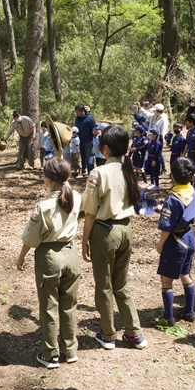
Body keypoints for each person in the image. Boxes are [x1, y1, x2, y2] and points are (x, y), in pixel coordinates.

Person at [81, 125, 148, 350]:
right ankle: (134, 333)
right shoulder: (128, 170)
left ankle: (108, 334)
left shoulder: (98, 173)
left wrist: (84, 242)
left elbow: (90, 213)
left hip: (105, 230)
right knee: (121, 284)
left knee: (104, 285)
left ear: (106, 149)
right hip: (126, 229)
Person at [16, 158, 81, 369]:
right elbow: (67, 190)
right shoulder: (76, 197)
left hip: (50, 256)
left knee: (49, 305)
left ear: (48, 179)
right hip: (71, 254)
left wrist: (21, 256)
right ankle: (70, 350)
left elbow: (31, 238)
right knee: (69, 304)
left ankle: (51, 353)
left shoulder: (43, 207)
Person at [154, 158, 195, 326]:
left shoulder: (173, 198)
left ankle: (168, 317)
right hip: (189, 237)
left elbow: (167, 227)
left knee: (167, 281)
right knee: (185, 275)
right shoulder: (192, 191)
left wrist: (160, 244)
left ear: (172, 176)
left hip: (175, 240)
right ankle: (189, 312)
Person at [74, 104, 97, 176]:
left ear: (83, 111)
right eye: (76, 111)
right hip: (80, 140)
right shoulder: (77, 119)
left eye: (78, 111)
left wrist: (93, 139)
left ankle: (91, 172)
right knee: (82, 156)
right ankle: (84, 170)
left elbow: (94, 128)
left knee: (89, 156)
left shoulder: (89, 118)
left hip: (88, 141)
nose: (77, 113)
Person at [153, 104, 168, 174]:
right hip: (156, 138)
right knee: (158, 153)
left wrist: (162, 141)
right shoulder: (156, 118)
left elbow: (163, 132)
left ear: (159, 111)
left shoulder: (163, 120)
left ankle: (164, 168)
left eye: (155, 111)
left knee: (159, 154)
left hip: (160, 139)